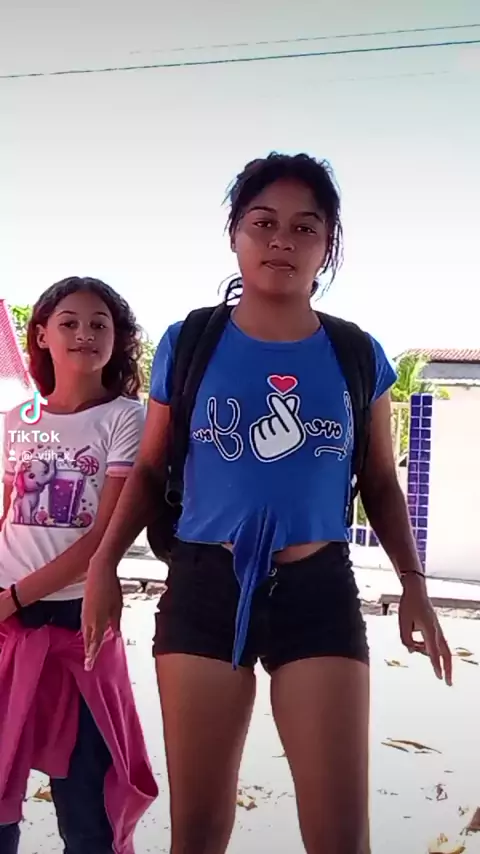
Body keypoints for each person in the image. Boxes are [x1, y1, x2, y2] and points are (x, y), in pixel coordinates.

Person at [82, 154, 452, 854]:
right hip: (203, 588)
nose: (282, 240)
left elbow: (380, 479)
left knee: (340, 838)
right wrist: (104, 563)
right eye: (263, 222)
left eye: (305, 227)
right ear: (235, 233)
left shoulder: (356, 353)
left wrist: (413, 582)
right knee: (197, 834)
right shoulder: (190, 342)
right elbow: (151, 467)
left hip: (318, 592)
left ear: (327, 244)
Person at [0, 277, 157, 854]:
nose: (84, 334)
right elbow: (10, 512)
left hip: (77, 626)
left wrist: (14, 598)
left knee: (88, 805)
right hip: (8, 626)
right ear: (42, 335)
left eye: (99, 324)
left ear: (118, 339)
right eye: (68, 322)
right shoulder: (17, 419)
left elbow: (102, 538)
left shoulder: (126, 418)